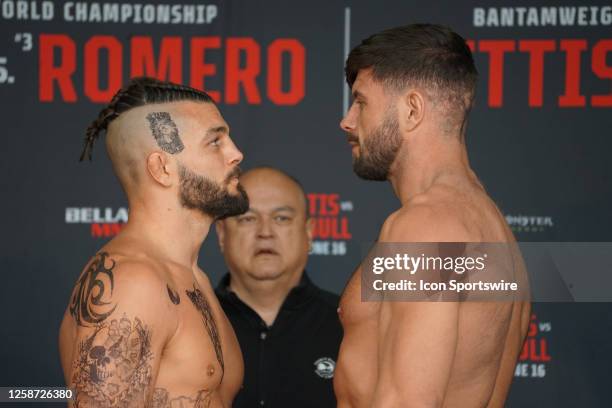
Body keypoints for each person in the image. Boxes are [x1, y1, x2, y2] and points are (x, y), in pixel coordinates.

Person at [334, 24, 531, 407]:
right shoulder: (495, 231)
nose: (347, 120)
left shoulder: (426, 225)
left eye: (361, 102)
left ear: (411, 109)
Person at [59, 77, 247, 407]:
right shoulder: (133, 282)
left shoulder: (191, 276)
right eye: (215, 142)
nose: (236, 154)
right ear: (161, 168)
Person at [215, 167, 342, 408]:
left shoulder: (349, 324)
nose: (265, 232)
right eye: (247, 219)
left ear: (309, 233)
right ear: (222, 234)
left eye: (281, 218)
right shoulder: (193, 322)